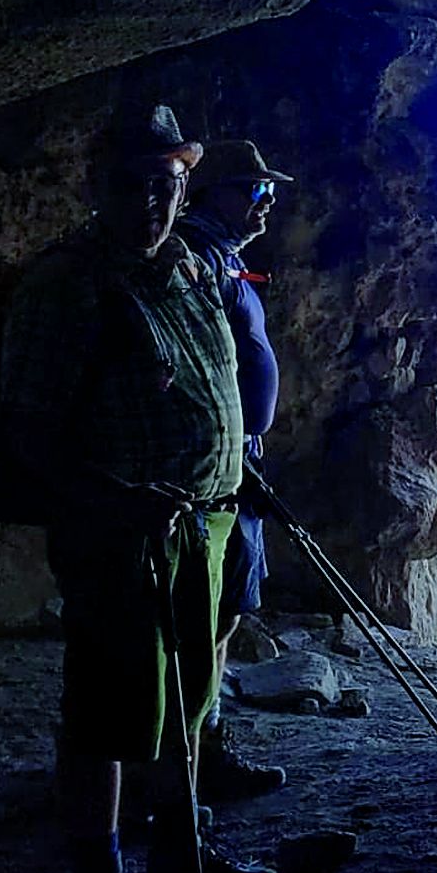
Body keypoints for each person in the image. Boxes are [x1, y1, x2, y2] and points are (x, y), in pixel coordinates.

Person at [0, 106, 276, 873]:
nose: (152, 201)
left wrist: (231, 469)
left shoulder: (188, 264)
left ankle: (181, 862)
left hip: (202, 523)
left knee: (186, 706)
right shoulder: (66, 287)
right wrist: (114, 501)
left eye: (168, 183)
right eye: (132, 184)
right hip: (120, 538)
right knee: (107, 719)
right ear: (96, 185)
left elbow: (213, 382)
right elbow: (26, 435)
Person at [178, 141, 293, 802]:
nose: (266, 202)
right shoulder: (194, 261)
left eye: (268, 190)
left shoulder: (221, 259)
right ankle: (187, 763)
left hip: (237, 459)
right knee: (206, 615)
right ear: (212, 193)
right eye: (253, 190)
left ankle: (204, 746)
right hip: (214, 470)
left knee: (222, 614)